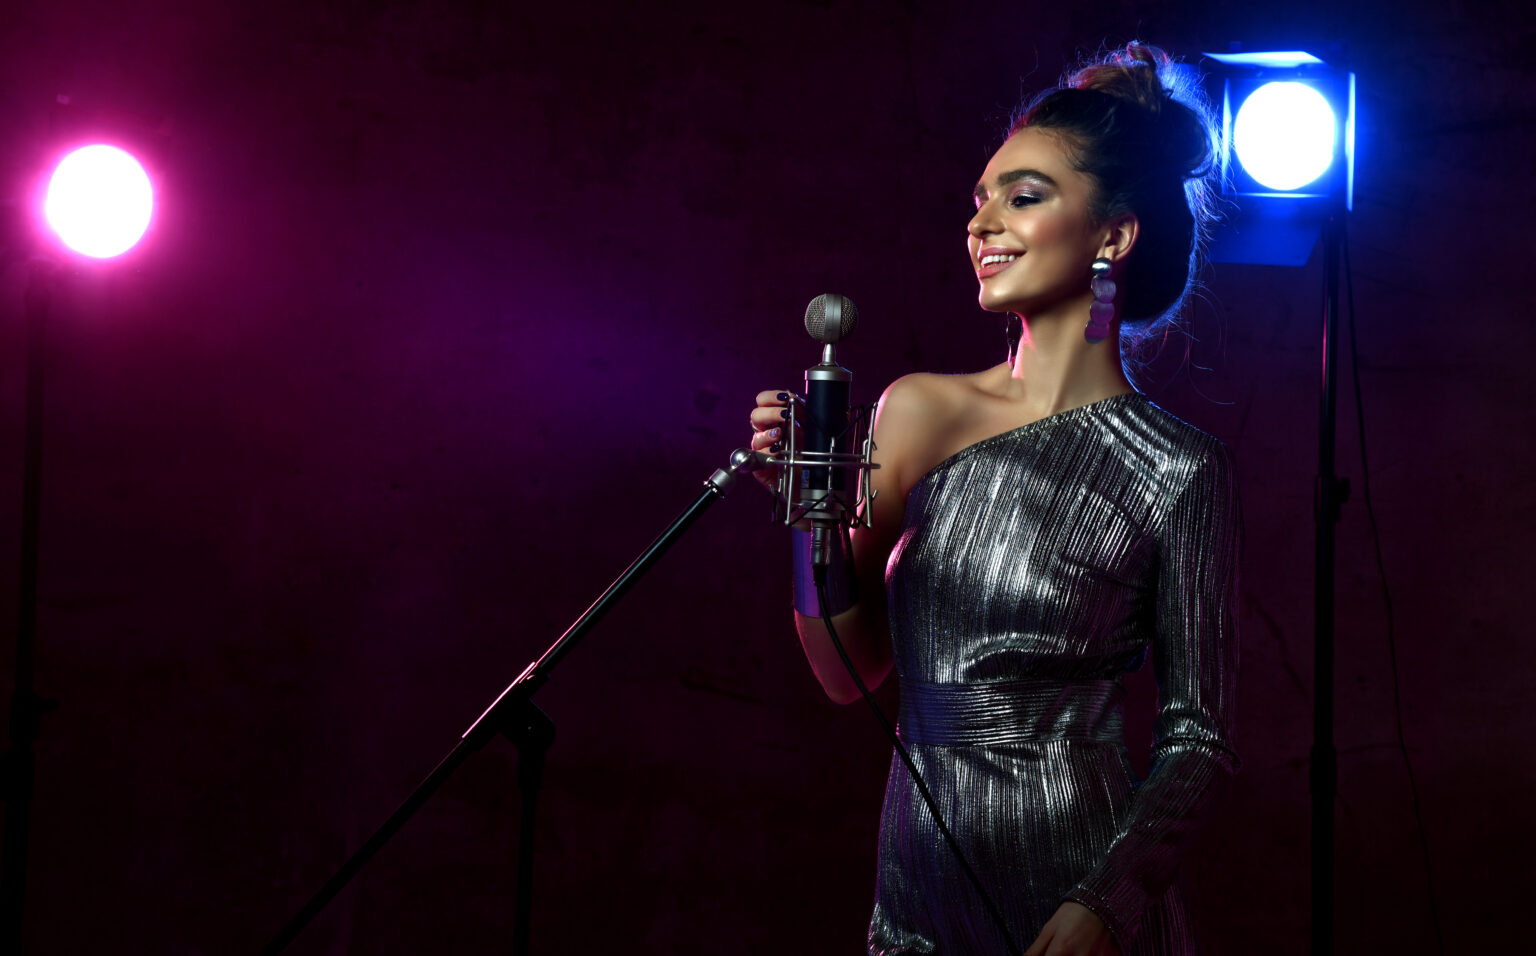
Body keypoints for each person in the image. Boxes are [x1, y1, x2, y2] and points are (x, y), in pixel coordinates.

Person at [748, 44, 1241, 956]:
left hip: (1085, 903)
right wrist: (812, 518)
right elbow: (843, 673)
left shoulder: (1180, 468)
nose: (981, 223)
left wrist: (1109, 902)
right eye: (978, 199)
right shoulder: (918, 411)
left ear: (1113, 236)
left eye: (1022, 196)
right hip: (919, 894)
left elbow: (1199, 737)